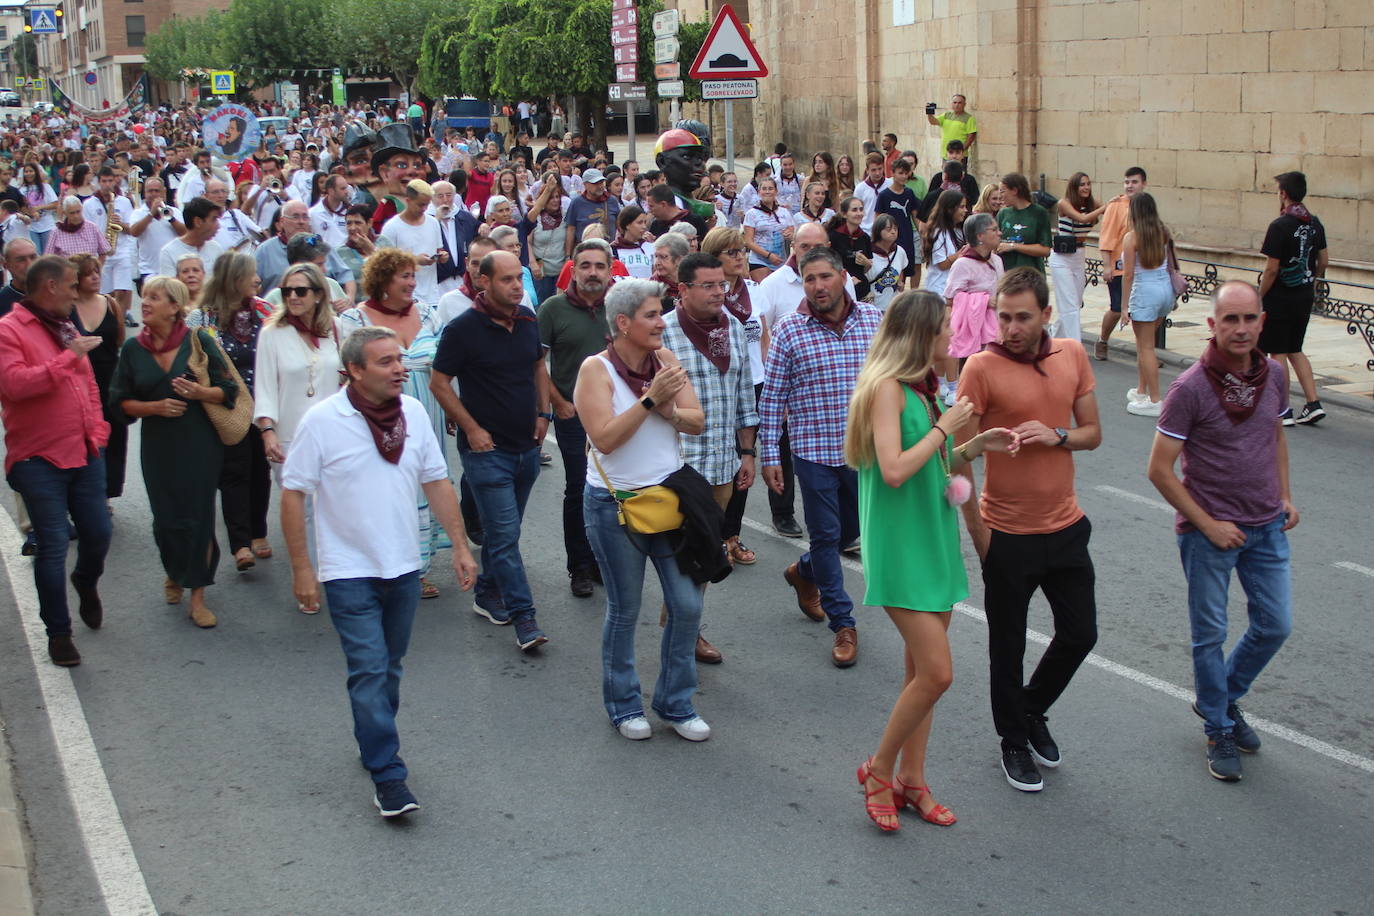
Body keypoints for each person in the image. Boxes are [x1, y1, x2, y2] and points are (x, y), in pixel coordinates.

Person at [282, 325, 478, 818]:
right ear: (354, 370)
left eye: (400, 359)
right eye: (387, 362)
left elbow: (436, 480)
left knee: (389, 666)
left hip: (404, 566)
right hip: (347, 571)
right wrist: (303, 568)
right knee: (369, 668)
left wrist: (459, 544)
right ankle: (389, 774)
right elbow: (293, 492)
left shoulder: (412, 414)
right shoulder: (322, 422)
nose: (400, 368)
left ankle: (372, 735)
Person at [848, 290, 1020, 832]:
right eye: (946, 329)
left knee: (920, 673)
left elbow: (934, 462)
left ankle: (912, 780)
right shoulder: (886, 390)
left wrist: (973, 446)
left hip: (934, 538)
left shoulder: (923, 390)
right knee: (939, 674)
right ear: (922, 336)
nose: (954, 337)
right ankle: (878, 771)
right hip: (900, 547)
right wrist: (949, 426)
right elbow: (895, 469)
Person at [956, 267, 1101, 793]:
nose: (1010, 327)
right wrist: (978, 531)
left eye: (1022, 317)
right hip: (1007, 532)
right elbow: (957, 456)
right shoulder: (980, 368)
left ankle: (1032, 707)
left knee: (1081, 632)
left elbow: (1093, 433)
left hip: (1065, 525)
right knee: (1008, 646)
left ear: (1045, 314)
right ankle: (1013, 742)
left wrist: (1058, 435)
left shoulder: (1072, 356)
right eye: (1003, 316)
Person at [1146, 281, 1296, 782]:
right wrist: (1209, 525)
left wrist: (1285, 496)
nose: (1240, 328)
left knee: (1275, 625)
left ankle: (1224, 699)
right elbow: (1160, 469)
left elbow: (1275, 434)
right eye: (1229, 319)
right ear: (1212, 325)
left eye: (1249, 319)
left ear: (1261, 322)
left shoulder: (1274, 375)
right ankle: (1218, 726)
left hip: (1266, 524)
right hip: (1208, 532)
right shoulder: (1189, 388)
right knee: (1209, 634)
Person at [573, 278, 713, 741]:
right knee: (625, 608)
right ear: (623, 322)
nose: (661, 322)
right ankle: (624, 704)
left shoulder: (667, 361)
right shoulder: (595, 370)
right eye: (652, 315)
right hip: (616, 507)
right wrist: (651, 399)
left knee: (687, 604)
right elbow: (605, 439)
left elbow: (696, 421)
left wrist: (667, 409)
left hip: (670, 502)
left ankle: (675, 702)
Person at [760, 247, 883, 667]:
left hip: (863, 453)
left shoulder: (873, 321)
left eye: (824, 277)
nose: (818, 286)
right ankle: (843, 624)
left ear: (843, 276)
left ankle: (804, 571)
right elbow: (773, 397)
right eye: (809, 279)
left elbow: (894, 381)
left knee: (853, 530)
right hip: (813, 453)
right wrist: (769, 455)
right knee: (827, 536)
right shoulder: (790, 330)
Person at [430, 251, 553, 652]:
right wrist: (472, 428)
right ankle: (525, 618)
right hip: (487, 453)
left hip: (527, 448)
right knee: (504, 535)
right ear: (483, 282)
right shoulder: (463, 329)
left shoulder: (528, 320)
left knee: (505, 536)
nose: (517, 286)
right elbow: (439, 383)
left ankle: (486, 592)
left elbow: (538, 366)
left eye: (519, 278)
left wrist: (543, 414)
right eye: (507, 279)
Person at [0, 255, 113, 667]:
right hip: (36, 458)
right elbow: (13, 385)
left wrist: (98, 433)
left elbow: (89, 384)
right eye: (70, 285)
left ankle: (85, 580)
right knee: (52, 545)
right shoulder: (9, 330)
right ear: (49, 286)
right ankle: (59, 634)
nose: (75, 292)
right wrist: (68, 357)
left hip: (84, 451)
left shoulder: (66, 325)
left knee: (99, 534)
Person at [111, 276, 236, 629]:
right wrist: (153, 408)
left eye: (154, 297)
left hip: (199, 442)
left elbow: (228, 390)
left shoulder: (199, 342)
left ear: (175, 307)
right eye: (144, 296)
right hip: (158, 445)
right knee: (165, 517)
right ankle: (174, 571)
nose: (145, 302)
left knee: (197, 516)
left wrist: (200, 393)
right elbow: (118, 402)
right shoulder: (135, 350)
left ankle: (197, 594)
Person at [659, 252, 759, 665]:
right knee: (675, 554)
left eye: (723, 285)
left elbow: (743, 396)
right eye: (710, 286)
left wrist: (748, 452)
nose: (720, 292)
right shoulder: (661, 332)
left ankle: (682, 627)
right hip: (674, 467)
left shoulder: (733, 328)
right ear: (683, 290)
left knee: (703, 553)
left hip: (721, 466)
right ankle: (682, 629)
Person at [340, 248, 450, 599]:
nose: (411, 282)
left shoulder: (429, 314)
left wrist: (452, 410)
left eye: (413, 276)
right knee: (384, 488)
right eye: (403, 276)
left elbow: (443, 369)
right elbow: (347, 374)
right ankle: (379, 565)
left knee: (423, 483)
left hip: (427, 414)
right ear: (383, 280)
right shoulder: (357, 321)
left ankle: (416, 568)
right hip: (377, 417)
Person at [538, 239, 614, 597]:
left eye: (599, 266)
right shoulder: (553, 309)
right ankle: (580, 567)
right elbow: (537, 363)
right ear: (573, 268)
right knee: (579, 489)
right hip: (572, 415)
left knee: (614, 490)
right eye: (585, 265)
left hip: (617, 417)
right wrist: (557, 404)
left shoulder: (618, 307)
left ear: (610, 269)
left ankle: (603, 561)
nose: (593, 273)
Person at [188, 252, 274, 569]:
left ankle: (258, 531)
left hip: (262, 402)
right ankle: (241, 543)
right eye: (251, 274)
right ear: (234, 279)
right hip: (226, 405)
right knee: (235, 471)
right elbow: (191, 357)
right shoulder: (202, 318)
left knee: (260, 470)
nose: (257, 280)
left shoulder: (265, 312)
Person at [701, 227, 770, 569]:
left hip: (753, 384)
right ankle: (709, 535)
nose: (741, 256)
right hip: (722, 389)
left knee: (744, 461)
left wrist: (767, 377)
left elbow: (763, 335)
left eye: (742, 250)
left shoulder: (754, 290)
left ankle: (731, 535)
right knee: (719, 464)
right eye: (732, 252)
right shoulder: (709, 298)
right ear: (715, 260)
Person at [254, 261, 343, 507]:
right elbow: (264, 386)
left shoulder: (335, 327)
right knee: (300, 507)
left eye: (300, 291)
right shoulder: (272, 333)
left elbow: (346, 376)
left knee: (330, 506)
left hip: (330, 433)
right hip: (288, 436)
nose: (292, 296)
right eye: (287, 291)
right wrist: (267, 431)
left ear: (318, 295)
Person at [1258, 171, 1328, 426]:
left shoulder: (1279, 225)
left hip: (1280, 297)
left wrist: (1259, 296)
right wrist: (1310, 279)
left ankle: (1283, 409)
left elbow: (1271, 269)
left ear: (1284, 194)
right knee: (1296, 349)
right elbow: (1324, 260)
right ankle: (1313, 403)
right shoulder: (1314, 222)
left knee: (1277, 352)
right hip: (1304, 295)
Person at [67, 254, 127, 503]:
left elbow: (120, 339)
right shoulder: (67, 307)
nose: (95, 276)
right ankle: (85, 493)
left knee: (114, 435)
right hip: (79, 380)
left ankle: (106, 494)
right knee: (82, 436)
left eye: (97, 271)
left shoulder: (110, 303)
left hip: (110, 379)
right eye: (88, 273)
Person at [1119, 192, 1177, 417]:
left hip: (1145, 292)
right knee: (1146, 344)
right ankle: (1142, 390)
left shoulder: (1132, 238)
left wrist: (1124, 307)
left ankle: (1155, 400)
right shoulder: (1163, 232)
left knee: (1145, 348)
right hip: (1164, 290)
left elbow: (1128, 275)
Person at [1094, 167, 1147, 360]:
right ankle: (1102, 340)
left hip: (1141, 268)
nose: (1130, 186)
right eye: (1127, 182)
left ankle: (1145, 352)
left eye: (1134, 182)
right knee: (1117, 308)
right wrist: (1107, 265)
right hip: (1119, 268)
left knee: (1141, 311)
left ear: (1143, 184)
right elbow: (1106, 237)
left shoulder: (1146, 205)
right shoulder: (1116, 205)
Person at [1048, 172, 1106, 345]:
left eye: (1088, 184)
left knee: (1075, 302)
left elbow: (1107, 212)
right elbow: (1082, 218)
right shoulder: (1064, 203)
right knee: (1071, 305)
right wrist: (1105, 207)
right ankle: (1075, 346)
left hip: (1079, 256)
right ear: (1074, 187)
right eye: (1082, 184)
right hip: (1062, 258)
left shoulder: (1091, 204)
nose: (1086, 187)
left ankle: (1055, 333)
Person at [380, 179, 445, 306]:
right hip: (404, 298)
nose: (424, 209)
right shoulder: (391, 227)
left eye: (427, 205)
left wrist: (442, 256)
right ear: (408, 201)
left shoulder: (433, 223)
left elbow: (438, 250)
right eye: (421, 205)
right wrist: (414, 260)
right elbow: (383, 263)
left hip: (432, 297)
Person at [128, 177, 184, 289]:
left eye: (157, 191)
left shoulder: (175, 212)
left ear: (163, 192)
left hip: (172, 268)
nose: (153, 194)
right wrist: (151, 214)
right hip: (149, 271)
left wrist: (171, 218)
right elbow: (134, 232)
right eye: (150, 191)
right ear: (145, 193)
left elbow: (184, 233)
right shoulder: (138, 213)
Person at [876, 158, 921, 287]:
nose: (903, 176)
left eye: (906, 173)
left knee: (907, 268)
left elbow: (915, 216)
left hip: (907, 236)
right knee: (894, 269)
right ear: (893, 173)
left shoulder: (909, 193)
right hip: (890, 239)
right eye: (900, 173)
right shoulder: (884, 195)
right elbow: (878, 218)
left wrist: (922, 235)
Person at [995, 173, 1051, 275]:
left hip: (1031, 274)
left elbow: (1045, 250)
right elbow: (995, 243)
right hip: (1006, 274)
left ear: (1015, 191)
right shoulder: (1003, 214)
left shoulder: (1039, 213)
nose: (1000, 196)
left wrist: (1013, 246)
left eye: (1002, 191)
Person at [158, 196, 223, 278]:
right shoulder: (169, 252)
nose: (218, 225)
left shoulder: (216, 248)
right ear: (198, 222)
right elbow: (170, 288)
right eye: (214, 219)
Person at [743, 177, 794, 281]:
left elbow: (792, 232)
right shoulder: (752, 213)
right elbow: (748, 241)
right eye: (764, 189)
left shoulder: (784, 212)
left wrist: (790, 234)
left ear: (776, 191)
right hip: (759, 261)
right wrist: (768, 255)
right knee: (763, 293)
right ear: (759, 192)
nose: (767, 192)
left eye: (770, 189)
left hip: (780, 260)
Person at [826, 196, 873, 301]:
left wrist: (867, 264)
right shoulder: (833, 237)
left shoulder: (865, 237)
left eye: (861, 209)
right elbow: (827, 266)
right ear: (844, 214)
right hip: (840, 290)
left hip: (862, 290)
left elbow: (865, 269)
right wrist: (848, 279)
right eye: (854, 210)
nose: (859, 213)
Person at [47, 195, 111, 261]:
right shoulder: (56, 232)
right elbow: (48, 258)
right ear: (65, 213)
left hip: (89, 269)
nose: (76, 216)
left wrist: (98, 268)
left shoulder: (93, 228)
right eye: (72, 213)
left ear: (82, 209)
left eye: (78, 211)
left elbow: (103, 252)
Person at [866, 214, 908, 312]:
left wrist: (900, 282)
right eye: (888, 229)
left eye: (895, 229)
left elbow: (901, 269)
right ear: (878, 231)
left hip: (894, 307)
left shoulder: (899, 251)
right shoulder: (868, 252)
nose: (893, 232)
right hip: (873, 307)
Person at [609, 205, 654, 279]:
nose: (644, 226)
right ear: (627, 225)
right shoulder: (613, 250)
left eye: (645, 222)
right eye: (639, 223)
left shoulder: (650, 247)